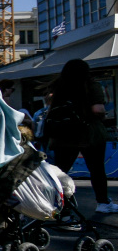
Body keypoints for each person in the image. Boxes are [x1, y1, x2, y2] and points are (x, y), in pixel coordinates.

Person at [47, 59, 117, 216]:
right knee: (97, 169)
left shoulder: (59, 87)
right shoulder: (90, 86)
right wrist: (103, 116)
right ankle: (103, 202)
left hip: (63, 134)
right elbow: (98, 109)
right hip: (89, 133)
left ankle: (56, 203)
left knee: (60, 171)